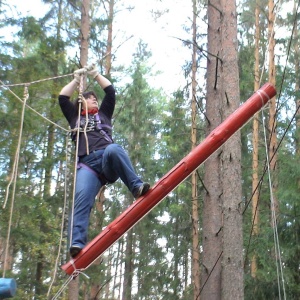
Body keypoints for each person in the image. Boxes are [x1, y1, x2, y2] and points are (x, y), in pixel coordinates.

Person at [58, 64, 150, 258]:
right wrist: (76, 81)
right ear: (81, 102)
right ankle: (76, 243)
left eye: (95, 99)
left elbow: (110, 91)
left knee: (114, 148)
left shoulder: (104, 115)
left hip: (107, 159)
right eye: (91, 98)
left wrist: (95, 75)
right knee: (81, 199)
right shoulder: (74, 117)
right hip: (87, 166)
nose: (95, 101)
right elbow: (62, 97)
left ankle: (136, 187)